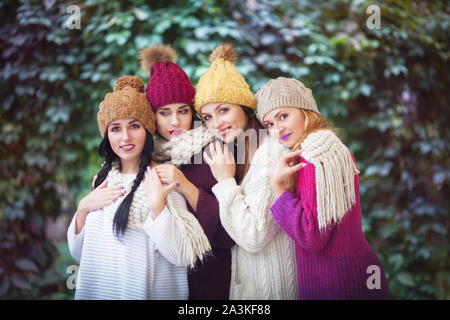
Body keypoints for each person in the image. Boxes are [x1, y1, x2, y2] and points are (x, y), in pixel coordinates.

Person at [67, 75, 210, 300]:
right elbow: (79, 254)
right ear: (106, 135)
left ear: (147, 131)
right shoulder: (103, 180)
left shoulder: (163, 180)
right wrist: (83, 208)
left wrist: (157, 208)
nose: (125, 137)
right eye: (115, 128)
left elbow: (183, 257)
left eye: (134, 126)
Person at [256, 76, 390, 299]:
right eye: (269, 124)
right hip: (353, 276)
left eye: (283, 116)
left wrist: (278, 189)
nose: (277, 129)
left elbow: (312, 236)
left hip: (341, 283)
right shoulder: (326, 145)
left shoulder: (315, 153)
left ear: (305, 110)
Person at [194, 43, 298, 299]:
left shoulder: (272, 152)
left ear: (244, 107)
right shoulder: (240, 153)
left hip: (275, 289)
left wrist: (225, 181)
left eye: (223, 110)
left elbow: (254, 236)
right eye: (207, 117)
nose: (216, 123)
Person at [138, 44, 235, 300]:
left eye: (183, 110)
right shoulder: (143, 155)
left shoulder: (213, 150)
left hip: (209, 280)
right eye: (164, 112)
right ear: (152, 115)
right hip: (161, 283)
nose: (175, 122)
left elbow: (229, 233)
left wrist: (186, 186)